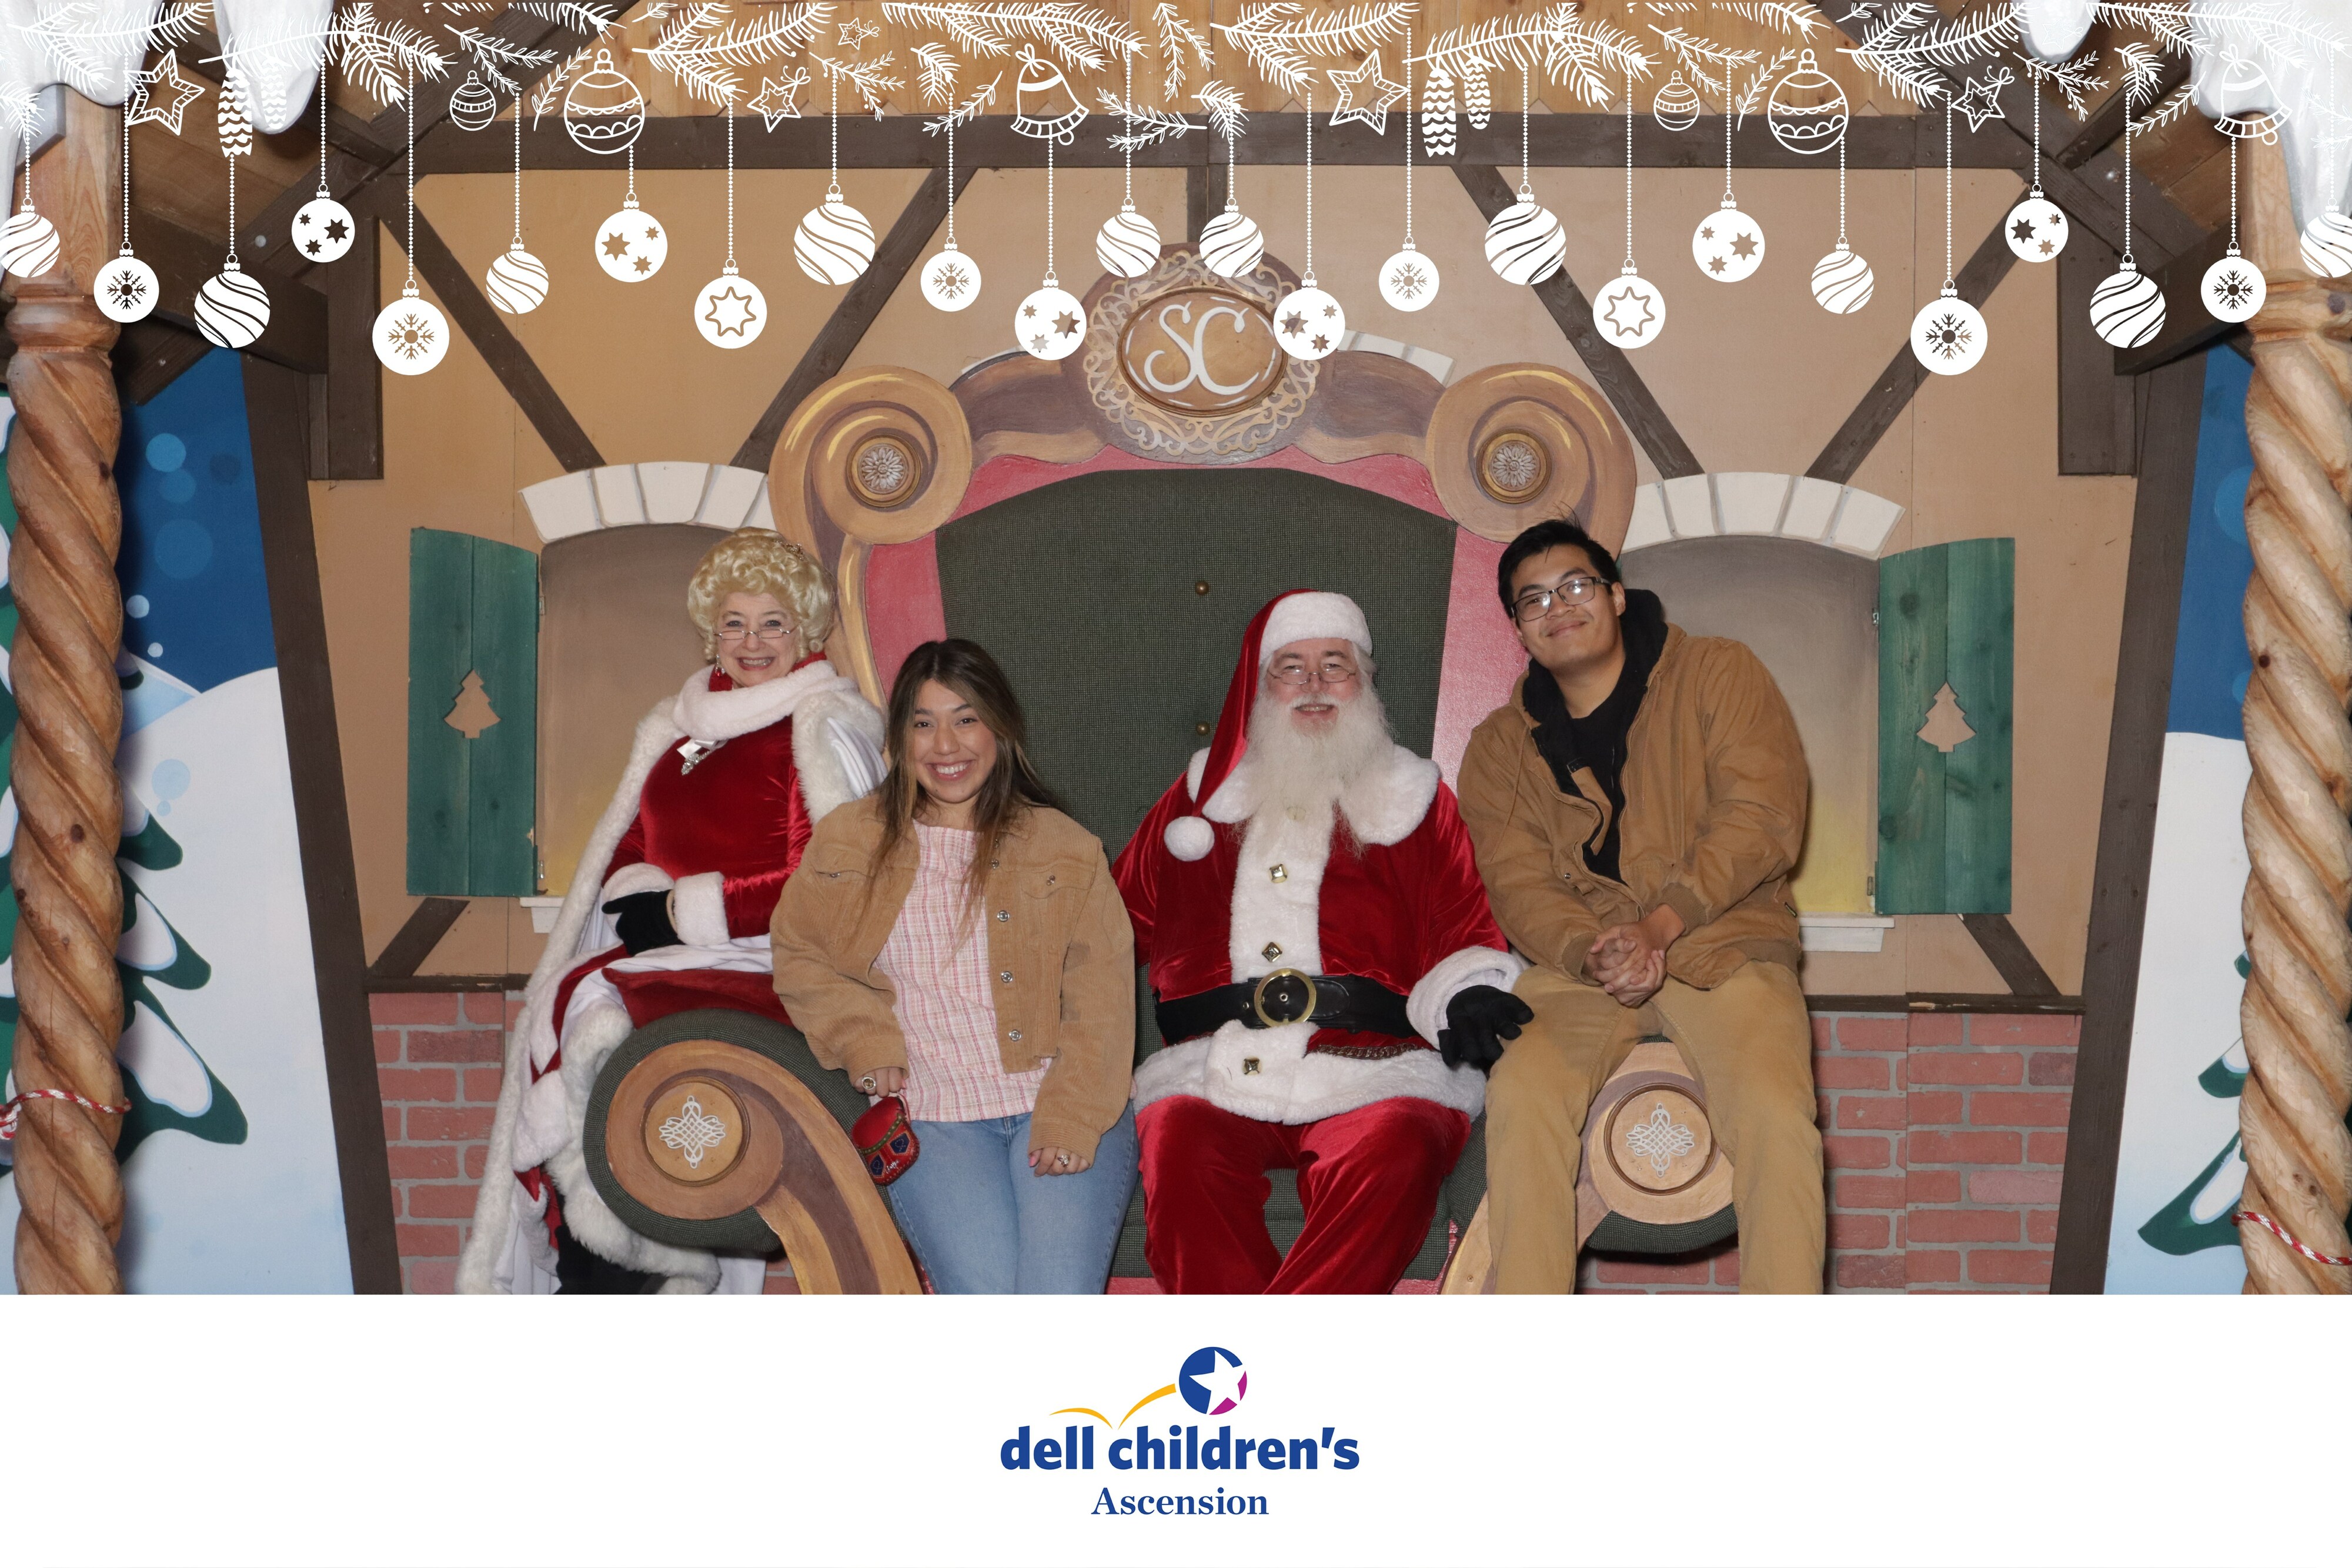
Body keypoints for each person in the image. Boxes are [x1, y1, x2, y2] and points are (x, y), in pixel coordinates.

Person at [460, 528, 887, 1294]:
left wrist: (687, 913)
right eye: (734, 623)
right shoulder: (680, 727)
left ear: (805, 631)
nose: (751, 642)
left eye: (772, 623)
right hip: (671, 957)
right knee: (575, 1013)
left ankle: (644, 1258)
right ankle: (602, 1260)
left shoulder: (821, 723)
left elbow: (827, 884)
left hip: (769, 967)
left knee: (599, 1020)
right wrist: (634, 897)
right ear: (710, 631)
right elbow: (628, 842)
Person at [1114, 590, 1530, 1294]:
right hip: (1212, 1067)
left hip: (1376, 1066)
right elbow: (1106, 926)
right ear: (1261, 687)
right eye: (1291, 668)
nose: (1313, 684)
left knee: (1398, 1144)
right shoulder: (1199, 800)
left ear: (1364, 682)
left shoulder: (1418, 800)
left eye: (1334, 665)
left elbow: (1469, 926)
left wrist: (1469, 993)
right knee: (1177, 1145)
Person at [1455, 517, 1823, 1293]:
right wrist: (1590, 949)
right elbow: (1517, 880)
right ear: (1518, 628)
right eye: (1533, 599)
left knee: (1775, 1115)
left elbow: (1762, 817)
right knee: (1521, 1093)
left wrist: (1661, 924)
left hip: (1721, 943)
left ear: (1617, 595)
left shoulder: (1717, 672)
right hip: (1583, 966)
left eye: (1576, 585)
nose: (1558, 606)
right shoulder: (1498, 748)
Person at [770, 639, 1138, 1294]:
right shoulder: (850, 839)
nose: (945, 745)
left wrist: (1074, 1117)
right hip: (933, 1116)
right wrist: (863, 1039)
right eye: (923, 723)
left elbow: (1102, 997)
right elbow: (801, 954)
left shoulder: (1064, 846)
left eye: (965, 719)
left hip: (1059, 1100)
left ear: (1000, 727)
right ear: (899, 737)